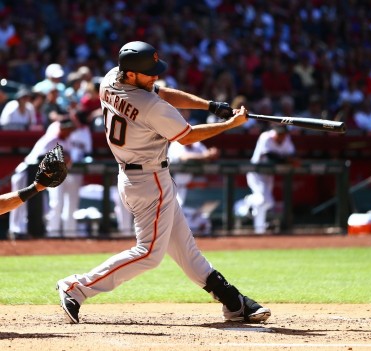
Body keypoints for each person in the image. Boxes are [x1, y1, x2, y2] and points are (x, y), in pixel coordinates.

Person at [57, 41, 271, 324]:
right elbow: (187, 135)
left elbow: (161, 93)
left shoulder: (110, 79)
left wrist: (210, 105)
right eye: (149, 72)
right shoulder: (149, 107)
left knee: (185, 249)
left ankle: (233, 302)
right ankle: (76, 287)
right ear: (131, 74)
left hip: (137, 176)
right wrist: (229, 125)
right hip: (148, 180)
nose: (155, 76)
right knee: (148, 253)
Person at [9, 120, 74, 237]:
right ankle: (16, 231)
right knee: (18, 201)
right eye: (66, 128)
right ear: (61, 129)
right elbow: (39, 159)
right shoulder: (51, 139)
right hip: (26, 171)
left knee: (36, 204)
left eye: (70, 129)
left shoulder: (66, 141)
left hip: (35, 175)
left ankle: (24, 231)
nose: (69, 131)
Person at [243, 124, 296, 234]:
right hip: (256, 173)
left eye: (283, 134)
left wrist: (291, 159)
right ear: (274, 132)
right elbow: (270, 156)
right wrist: (287, 160)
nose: (281, 136)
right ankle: (247, 201)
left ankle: (259, 229)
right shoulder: (266, 137)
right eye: (279, 133)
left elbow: (292, 153)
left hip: (268, 174)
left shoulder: (287, 139)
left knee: (268, 203)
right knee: (263, 199)